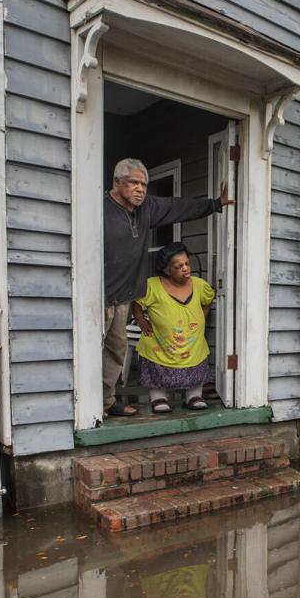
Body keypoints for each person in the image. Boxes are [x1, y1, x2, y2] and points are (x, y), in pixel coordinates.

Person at [103, 158, 232, 417]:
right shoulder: (100, 208)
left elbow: (178, 207)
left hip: (124, 296)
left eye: (144, 184)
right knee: (89, 350)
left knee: (116, 350)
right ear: (117, 183)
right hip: (97, 295)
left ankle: (107, 401)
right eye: (134, 183)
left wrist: (215, 204)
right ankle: (84, 405)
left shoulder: (146, 208)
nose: (140, 189)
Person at [131, 243, 215, 413]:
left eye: (187, 264)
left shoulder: (199, 285)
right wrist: (140, 319)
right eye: (179, 266)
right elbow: (137, 303)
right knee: (155, 362)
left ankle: (193, 396)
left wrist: (201, 317)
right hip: (161, 342)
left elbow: (208, 300)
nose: (185, 268)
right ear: (167, 270)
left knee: (196, 363)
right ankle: (158, 397)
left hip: (192, 342)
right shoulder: (152, 286)